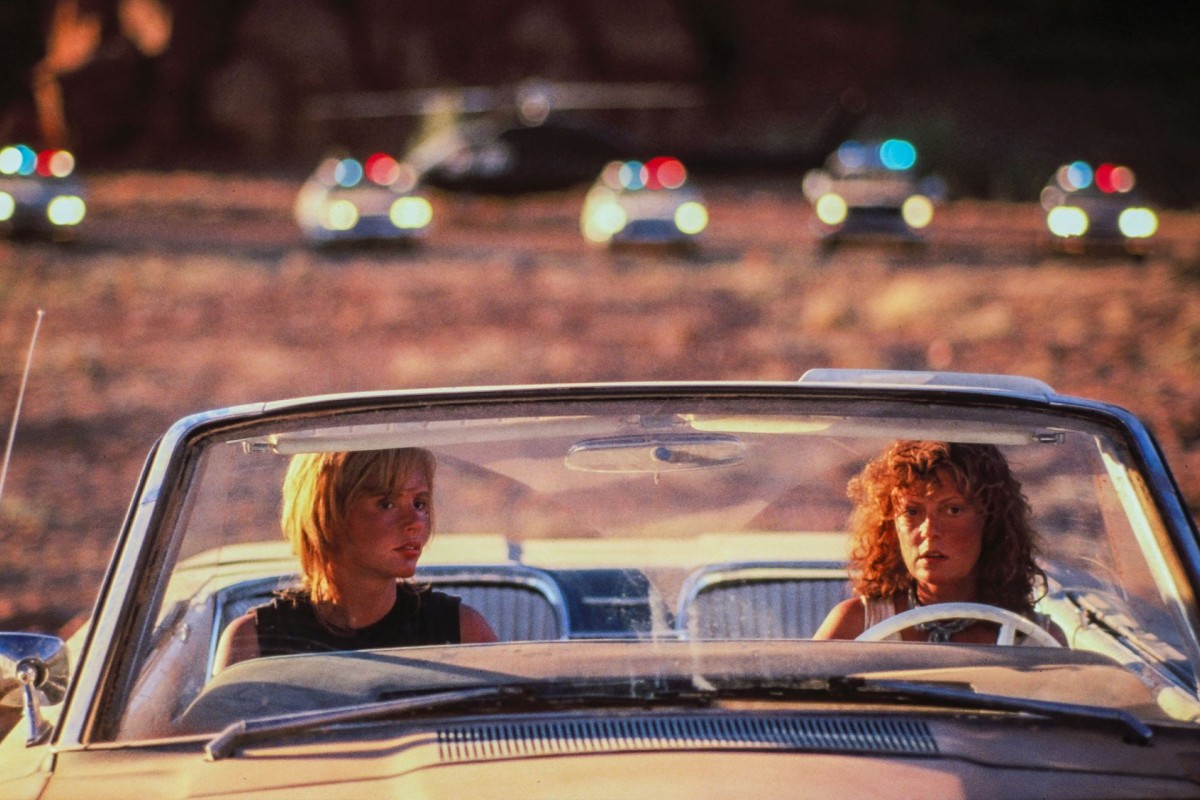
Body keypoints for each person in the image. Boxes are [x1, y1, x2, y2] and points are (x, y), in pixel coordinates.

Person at [214, 447, 497, 672]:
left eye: (420, 503)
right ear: (327, 512)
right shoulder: (254, 641)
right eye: (387, 503)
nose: (415, 522)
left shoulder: (462, 632)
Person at [812, 440, 1064, 644]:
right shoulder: (855, 625)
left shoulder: (1037, 638)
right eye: (912, 512)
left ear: (990, 522)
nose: (929, 530)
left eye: (953, 510)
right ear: (890, 527)